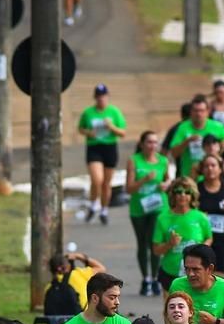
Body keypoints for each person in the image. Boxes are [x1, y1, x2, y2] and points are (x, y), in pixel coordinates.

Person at [125, 130, 169, 296]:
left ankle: (157, 278)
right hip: (139, 208)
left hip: (158, 207)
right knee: (142, 243)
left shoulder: (163, 161)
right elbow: (129, 189)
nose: (152, 146)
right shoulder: (134, 161)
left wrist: (165, 185)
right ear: (142, 144)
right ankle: (146, 279)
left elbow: (167, 180)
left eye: (155, 142)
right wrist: (144, 180)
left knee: (155, 242)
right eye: (149, 142)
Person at [78, 85, 127, 225]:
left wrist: (111, 127)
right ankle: (94, 204)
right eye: (99, 96)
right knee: (96, 179)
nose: (101, 99)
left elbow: (123, 133)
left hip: (110, 147)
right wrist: (89, 133)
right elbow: (80, 128)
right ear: (95, 98)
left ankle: (104, 209)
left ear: (107, 97)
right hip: (94, 147)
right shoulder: (88, 113)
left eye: (104, 96)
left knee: (106, 183)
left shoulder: (114, 112)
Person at [152, 179, 214, 288]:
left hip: (196, 273)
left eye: (187, 192)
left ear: (192, 195)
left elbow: (209, 238)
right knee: (172, 305)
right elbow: (156, 250)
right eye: (178, 191)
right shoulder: (163, 218)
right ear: (173, 195)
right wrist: (169, 244)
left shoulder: (201, 217)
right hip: (170, 272)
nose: (183, 195)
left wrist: (201, 250)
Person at [168, 96, 224, 182]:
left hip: (212, 178)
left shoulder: (216, 126)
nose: (199, 114)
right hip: (190, 177)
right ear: (191, 112)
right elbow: (174, 153)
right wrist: (187, 142)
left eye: (201, 111)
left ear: (207, 112)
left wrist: (217, 151)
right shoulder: (183, 128)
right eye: (196, 111)